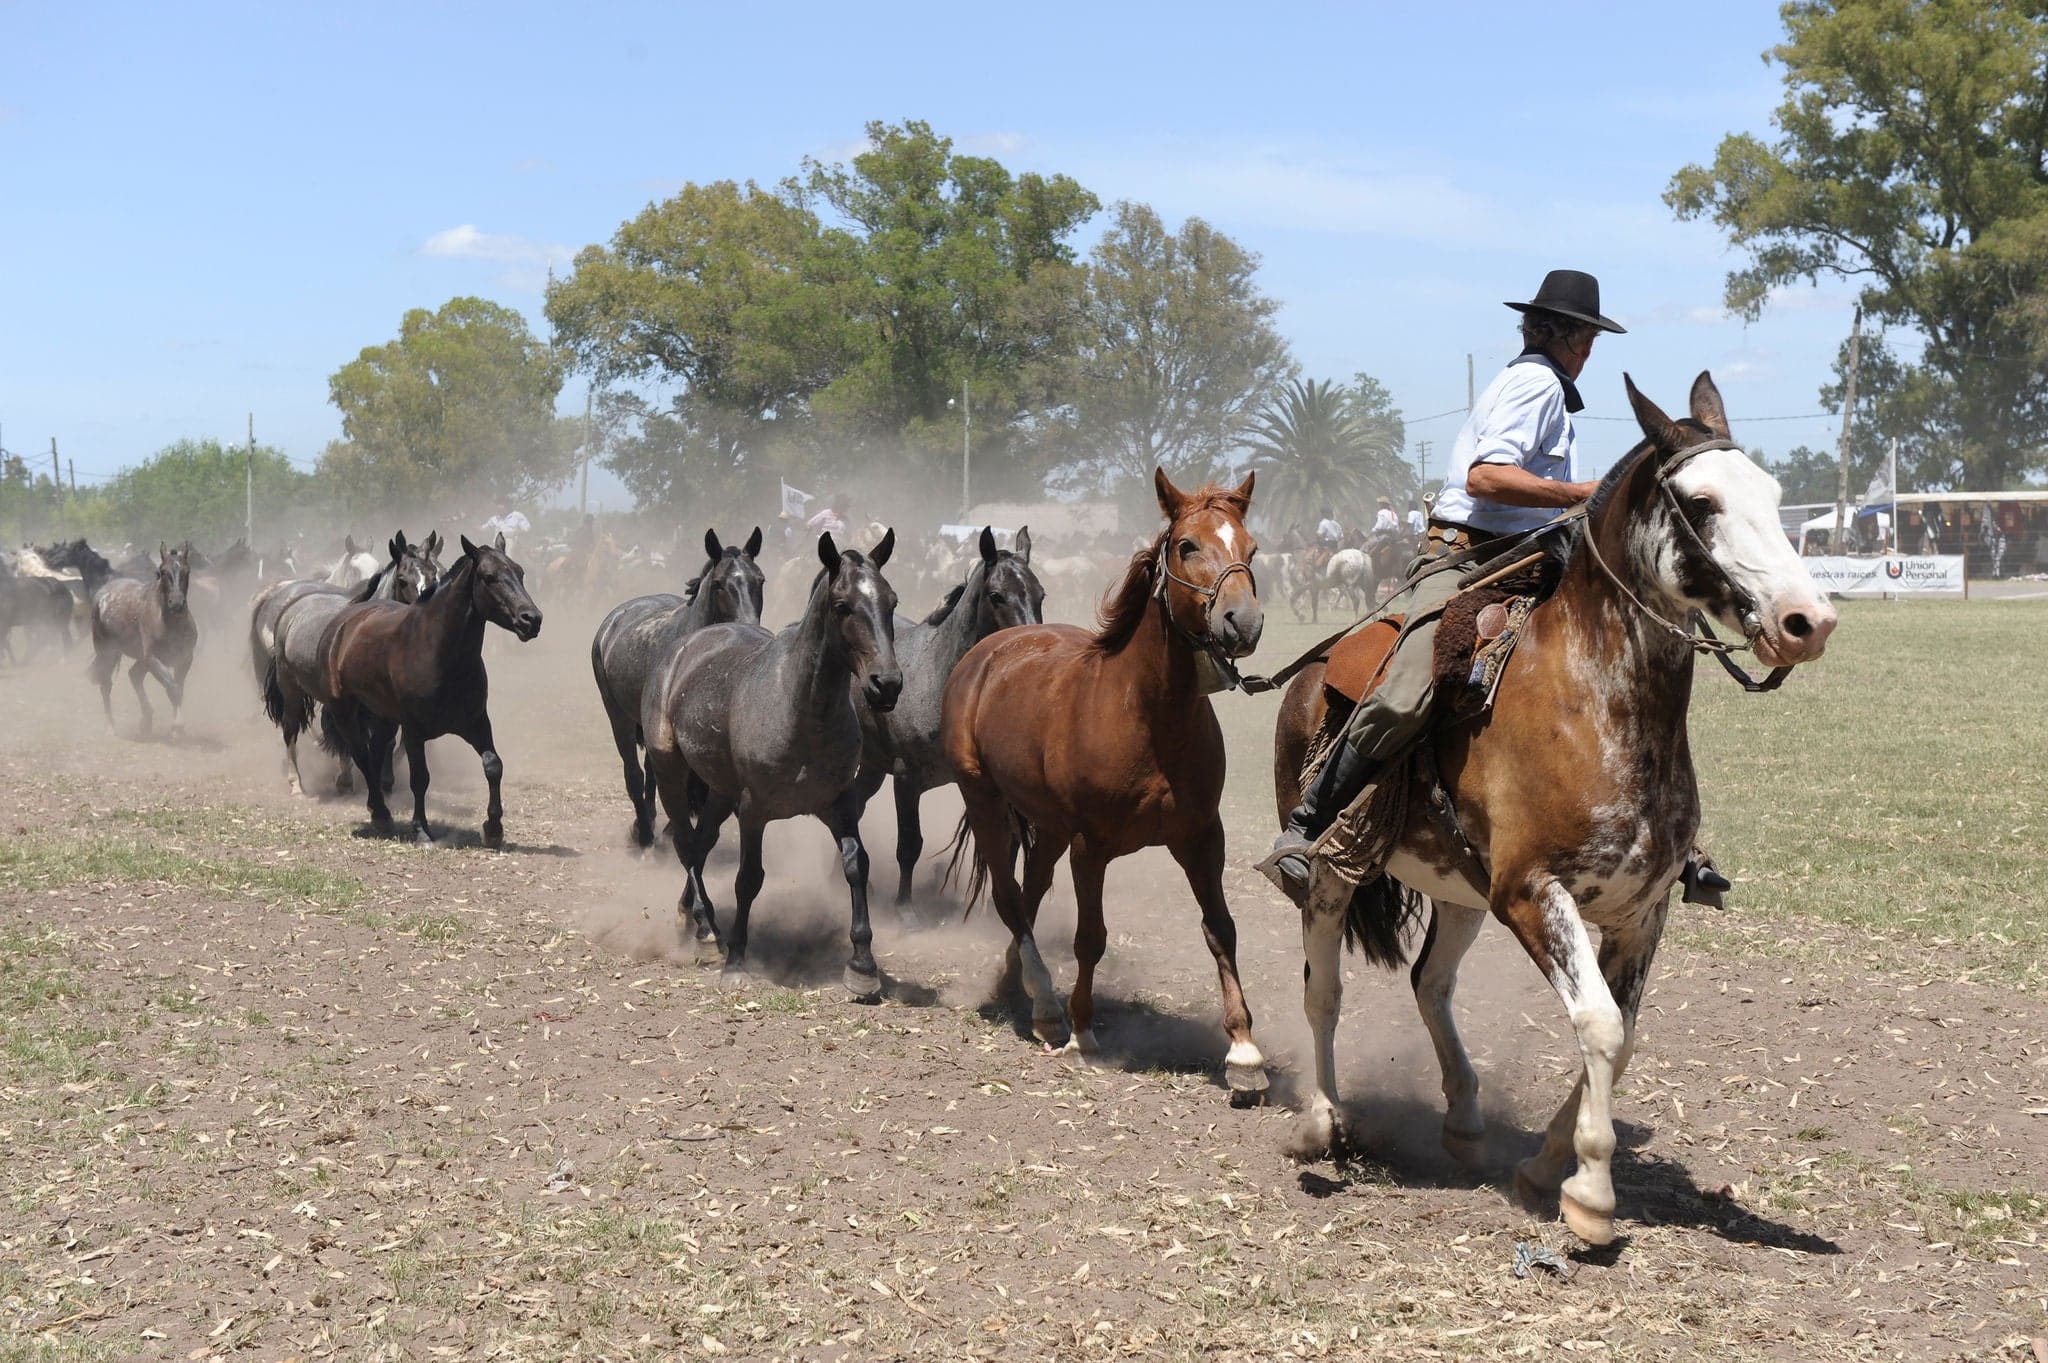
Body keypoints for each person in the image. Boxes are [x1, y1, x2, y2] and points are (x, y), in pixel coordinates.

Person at [1263, 269, 1622, 901]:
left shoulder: (1547, 387)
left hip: (1531, 557)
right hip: (1472, 559)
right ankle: (1308, 821)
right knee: (1407, 686)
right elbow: (1486, 478)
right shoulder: (1536, 383)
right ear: (1575, 340)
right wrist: (1580, 493)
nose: (1588, 352)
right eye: (1587, 338)